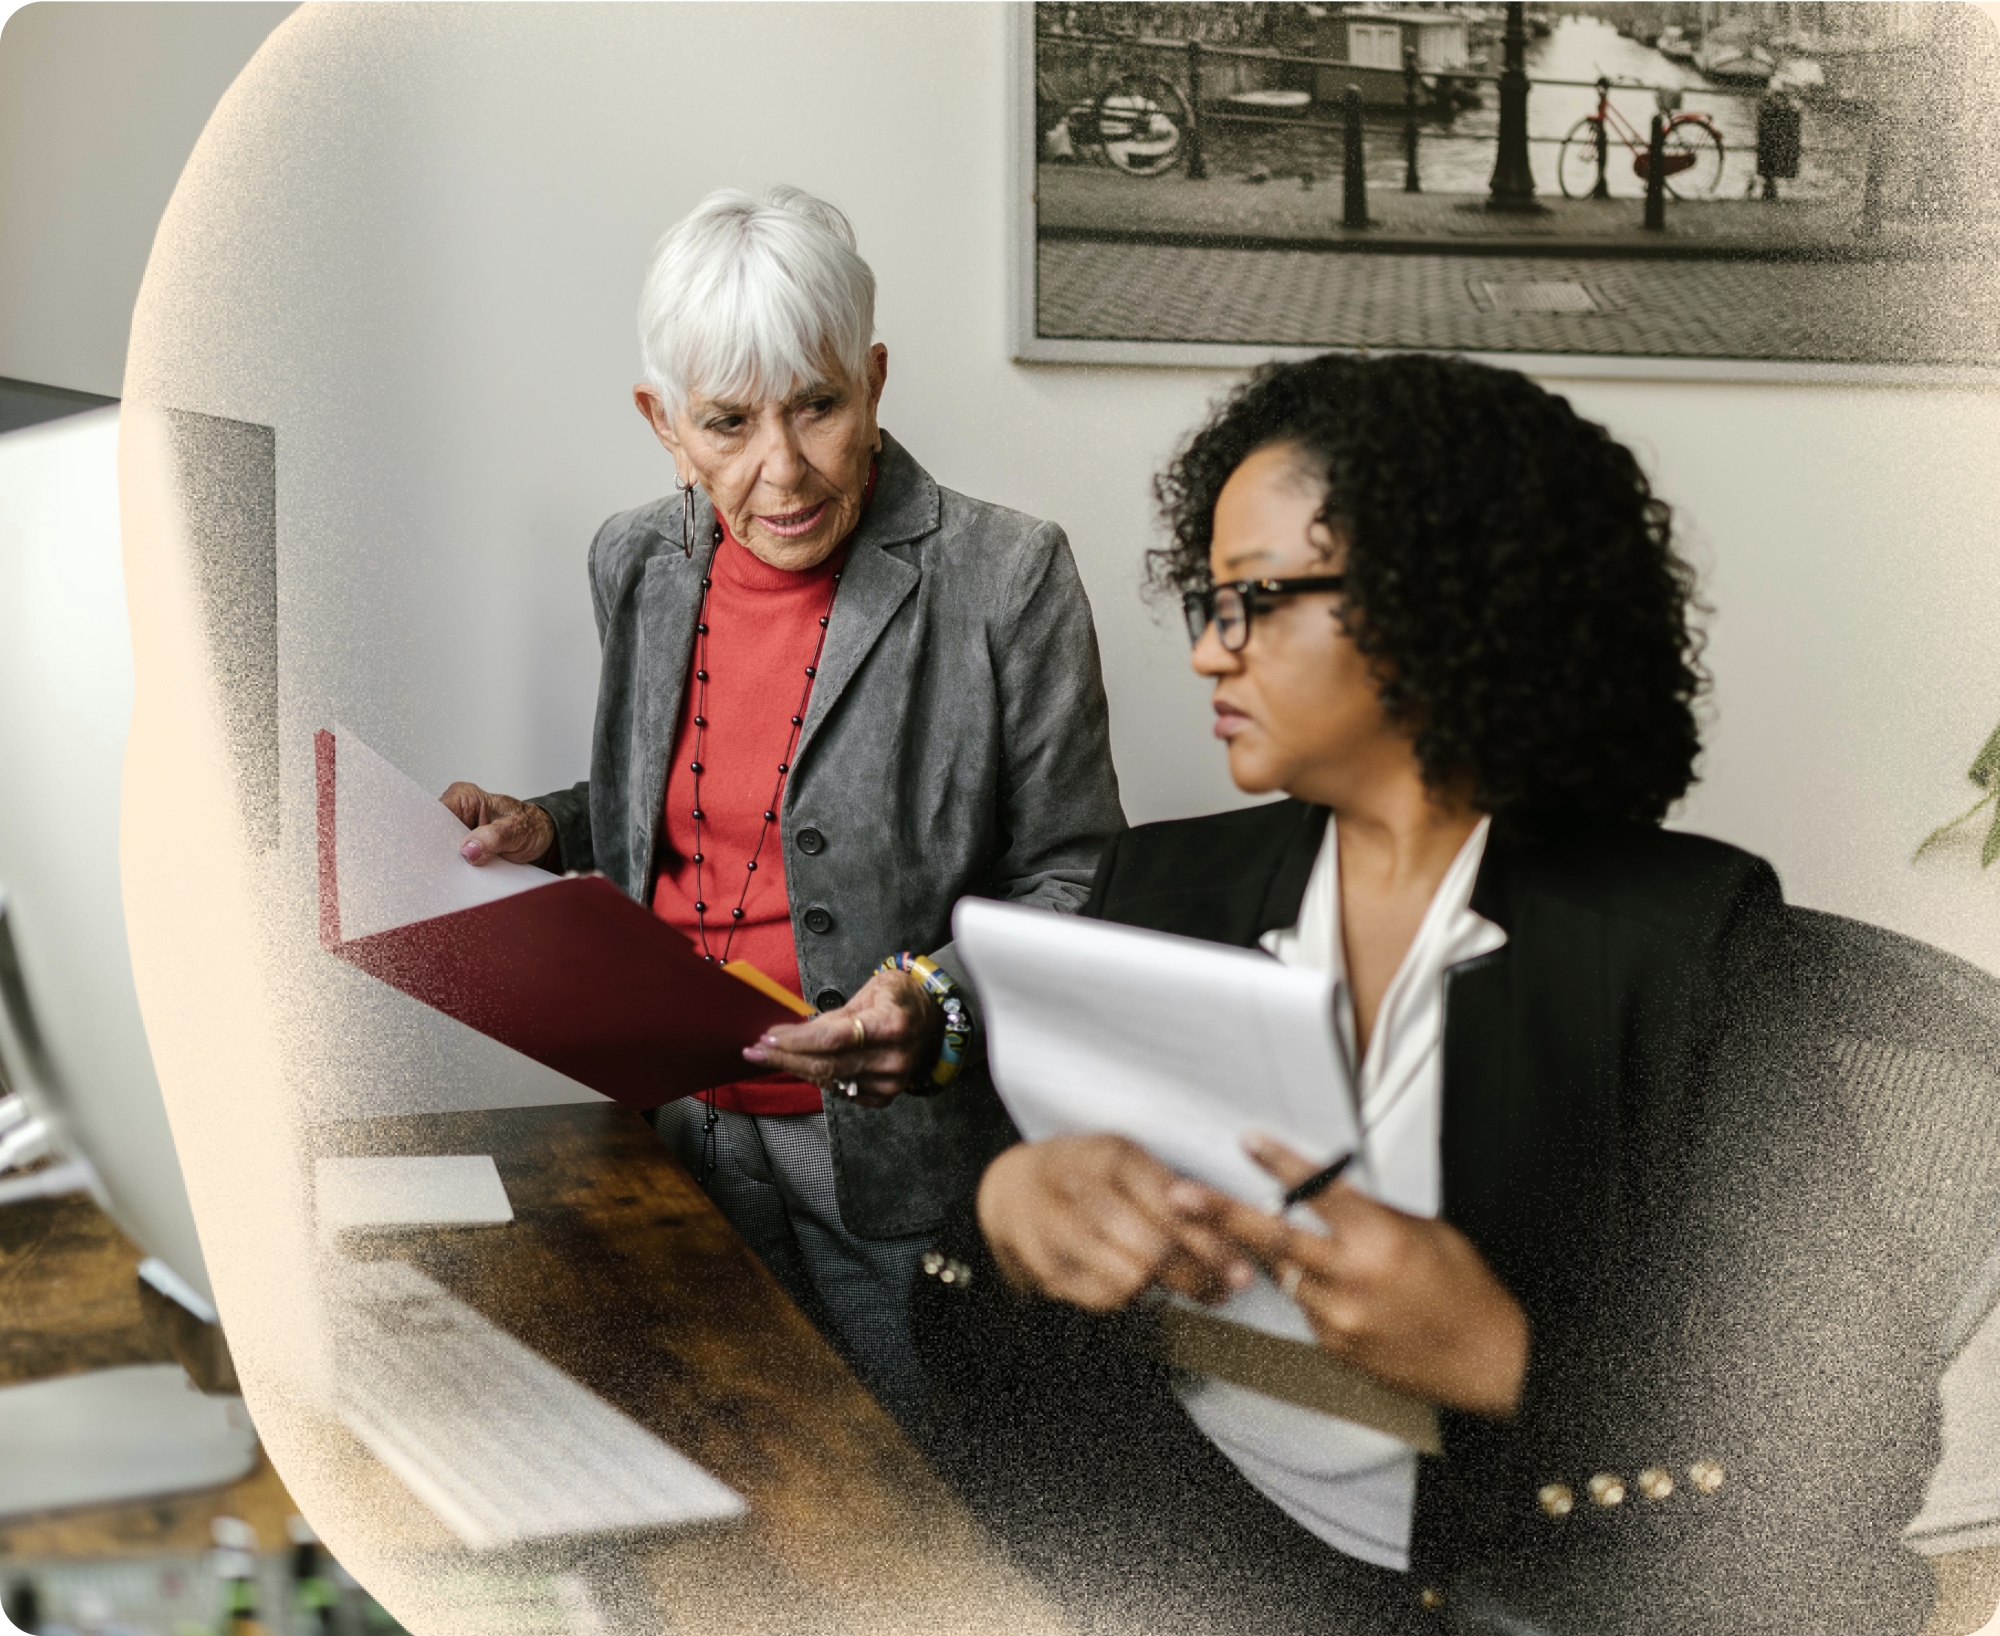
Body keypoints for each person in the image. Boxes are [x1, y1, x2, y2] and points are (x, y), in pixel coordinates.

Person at [913, 353, 1940, 1634]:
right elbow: (976, 1361)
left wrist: (1501, 1358)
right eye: (1205, 598)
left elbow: (1863, 1429)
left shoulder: (1686, 945)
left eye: (1257, 601)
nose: (1205, 652)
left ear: (1435, 611)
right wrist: (1011, 1214)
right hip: (1185, 1564)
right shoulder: (1159, 887)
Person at [442, 186, 1123, 1426]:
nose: (783, 468)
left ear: (871, 379)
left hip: (899, 1162)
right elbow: (690, 786)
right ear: (663, 423)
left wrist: (933, 1001)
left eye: (817, 404)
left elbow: (1078, 884)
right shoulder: (633, 560)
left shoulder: (1005, 575)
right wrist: (554, 825)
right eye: (727, 422)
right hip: (675, 1130)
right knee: (725, 1475)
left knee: (932, 1507)